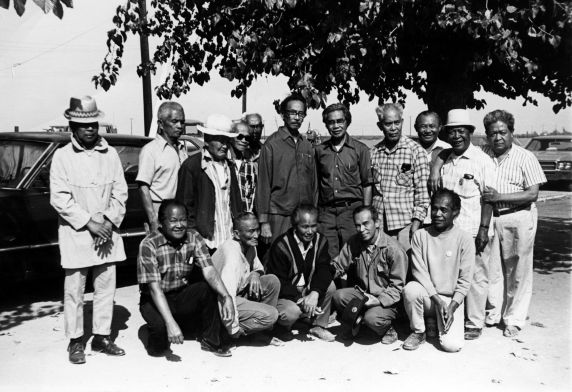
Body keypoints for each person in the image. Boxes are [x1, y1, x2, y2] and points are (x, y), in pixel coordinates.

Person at [50, 96, 128, 364]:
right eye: (84, 125)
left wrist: (107, 221)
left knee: (106, 286)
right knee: (75, 289)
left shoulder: (112, 155)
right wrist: (89, 223)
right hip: (78, 235)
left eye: (94, 124)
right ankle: (75, 340)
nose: (90, 129)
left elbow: (121, 192)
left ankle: (102, 336)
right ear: (72, 126)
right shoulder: (61, 157)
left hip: (107, 234)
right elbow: (59, 198)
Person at [137, 199, 235, 357]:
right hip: (155, 299)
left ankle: (211, 341)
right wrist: (170, 324)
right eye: (173, 220)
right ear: (162, 222)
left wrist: (226, 296)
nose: (179, 225)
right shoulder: (149, 244)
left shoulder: (194, 236)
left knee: (206, 289)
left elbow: (209, 270)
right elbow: (154, 290)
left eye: (183, 220)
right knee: (159, 348)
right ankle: (160, 327)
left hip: (181, 294)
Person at [430, 109, 496, 341]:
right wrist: (435, 168)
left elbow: (489, 198)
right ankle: (452, 315)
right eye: (452, 131)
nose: (456, 135)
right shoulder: (446, 158)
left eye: (461, 131)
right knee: (452, 275)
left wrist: (484, 229)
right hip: (450, 232)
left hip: (472, 229)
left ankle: (475, 321)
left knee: (476, 275)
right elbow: (437, 157)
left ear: (469, 132)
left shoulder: (482, 161)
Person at [481, 110, 546, 338]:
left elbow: (532, 194)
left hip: (517, 216)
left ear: (511, 133)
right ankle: (492, 314)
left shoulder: (525, 157)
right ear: (486, 136)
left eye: (502, 132)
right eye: (492, 133)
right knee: (491, 268)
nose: (498, 137)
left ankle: (514, 319)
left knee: (518, 271)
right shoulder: (483, 154)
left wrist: (500, 198)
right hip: (490, 218)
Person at [402, 189, 475, 352]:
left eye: (444, 209)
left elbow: (465, 280)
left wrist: (452, 306)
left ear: (455, 212)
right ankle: (419, 331)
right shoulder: (420, 235)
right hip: (430, 297)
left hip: (450, 301)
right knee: (411, 289)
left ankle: (434, 322)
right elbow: (419, 273)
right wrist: (437, 301)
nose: (437, 214)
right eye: (434, 208)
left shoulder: (465, 239)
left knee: (451, 346)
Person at [332, 206, 408, 344]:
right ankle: (361, 321)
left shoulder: (394, 249)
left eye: (366, 224)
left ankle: (389, 328)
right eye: (357, 225)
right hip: (365, 295)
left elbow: (398, 287)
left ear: (377, 223)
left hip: (388, 301)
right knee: (338, 296)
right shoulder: (354, 242)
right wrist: (317, 284)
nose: (361, 230)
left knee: (373, 318)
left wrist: (378, 301)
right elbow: (337, 266)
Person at [265, 205, 337, 342]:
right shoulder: (281, 245)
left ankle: (318, 325)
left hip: (308, 290)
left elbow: (325, 268)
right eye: (305, 227)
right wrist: (300, 300)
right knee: (292, 312)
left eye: (313, 226)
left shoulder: (321, 241)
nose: (310, 231)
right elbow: (279, 281)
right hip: (286, 294)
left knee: (330, 286)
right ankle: (281, 328)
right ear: (295, 226)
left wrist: (315, 293)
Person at [176, 114, 243, 252]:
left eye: (227, 141)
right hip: (205, 243)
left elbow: (235, 203)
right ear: (207, 140)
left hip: (229, 240)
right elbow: (185, 206)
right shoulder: (192, 166)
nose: (225, 145)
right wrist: (194, 240)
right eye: (220, 140)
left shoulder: (230, 166)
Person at [256, 94, 317, 245]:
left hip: (304, 216)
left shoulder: (307, 145)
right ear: (283, 115)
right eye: (292, 113)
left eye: (301, 114)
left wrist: (314, 213)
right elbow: (263, 185)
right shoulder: (272, 144)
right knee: (278, 259)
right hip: (279, 216)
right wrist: (264, 222)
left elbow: (314, 184)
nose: (297, 118)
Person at [315, 103, 373, 258]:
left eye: (340, 121)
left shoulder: (360, 149)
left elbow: (367, 183)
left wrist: (366, 212)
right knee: (328, 256)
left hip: (351, 211)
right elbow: (317, 184)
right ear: (326, 125)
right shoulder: (320, 151)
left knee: (354, 255)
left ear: (347, 122)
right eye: (331, 122)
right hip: (327, 213)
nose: (336, 126)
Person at [370, 103, 430, 250]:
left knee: (406, 268)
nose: (393, 128)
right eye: (388, 124)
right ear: (380, 126)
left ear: (402, 122)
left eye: (397, 123)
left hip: (405, 225)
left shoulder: (416, 151)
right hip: (380, 225)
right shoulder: (374, 153)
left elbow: (422, 194)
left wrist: (416, 224)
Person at [211, 212, 280, 339]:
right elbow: (226, 296)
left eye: (257, 230)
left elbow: (259, 268)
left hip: (239, 294)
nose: (256, 235)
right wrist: (233, 329)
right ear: (237, 234)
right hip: (221, 301)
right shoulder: (232, 254)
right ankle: (233, 333)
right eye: (251, 231)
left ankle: (263, 331)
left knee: (272, 281)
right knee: (272, 315)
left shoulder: (250, 245)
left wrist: (254, 274)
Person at [136, 102, 188, 232]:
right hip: (159, 213)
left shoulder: (182, 149)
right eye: (174, 121)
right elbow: (143, 187)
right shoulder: (150, 150)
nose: (179, 126)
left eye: (182, 122)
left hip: (179, 213)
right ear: (160, 124)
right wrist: (153, 219)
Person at [229, 121, 258, 212]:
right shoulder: (224, 164)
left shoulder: (251, 166)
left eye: (247, 138)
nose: (244, 141)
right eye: (240, 136)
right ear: (231, 137)